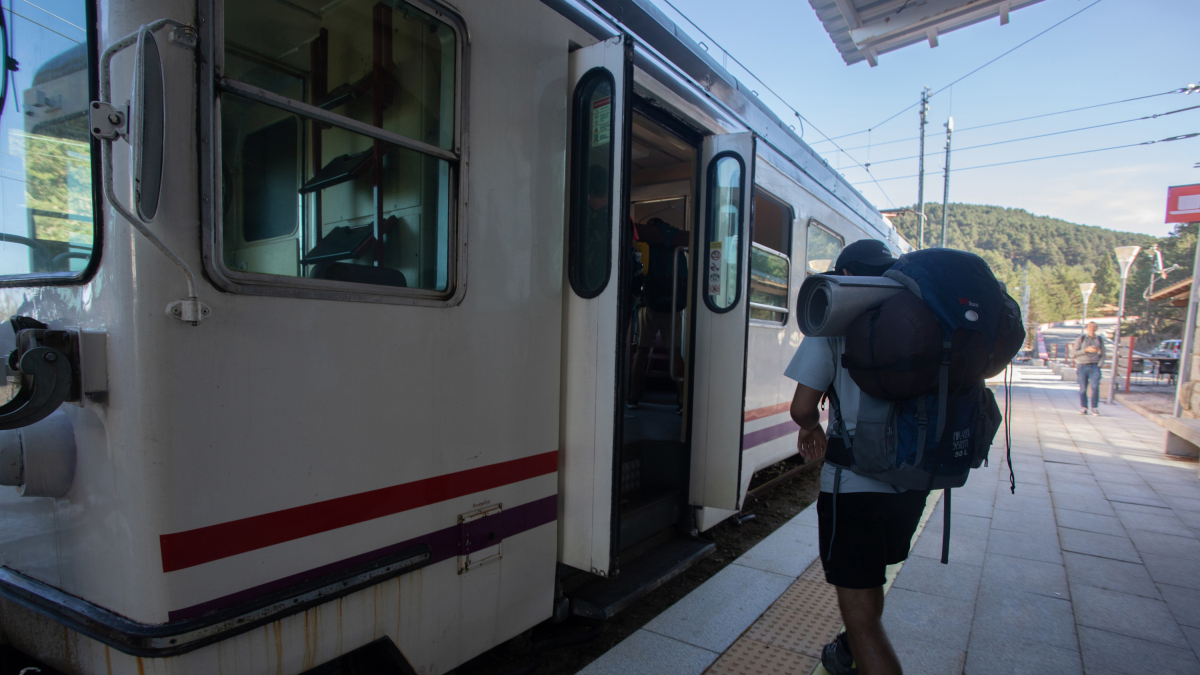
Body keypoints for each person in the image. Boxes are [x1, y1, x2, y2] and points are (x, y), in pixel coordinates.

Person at [786, 239, 930, 675]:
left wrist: (810, 427)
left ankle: (855, 647)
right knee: (870, 585)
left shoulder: (835, 322)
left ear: (845, 277)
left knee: (861, 617)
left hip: (854, 489)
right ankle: (848, 651)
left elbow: (801, 407)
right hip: (910, 486)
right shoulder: (920, 320)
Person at [628, 217, 688, 409]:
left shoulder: (645, 243)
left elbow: (638, 272)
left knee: (642, 350)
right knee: (675, 353)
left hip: (649, 305)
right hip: (674, 307)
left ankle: (633, 397)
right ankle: (683, 400)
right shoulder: (676, 246)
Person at [1073, 321, 1106, 416]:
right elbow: (1074, 353)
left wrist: (1100, 364)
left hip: (1094, 366)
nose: (1092, 328)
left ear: (1096, 328)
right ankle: (1084, 407)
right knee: (1083, 388)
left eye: (1094, 327)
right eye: (1090, 327)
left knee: (1095, 386)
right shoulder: (1081, 339)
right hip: (1082, 366)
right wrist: (1086, 350)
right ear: (1087, 328)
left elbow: (1103, 354)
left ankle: (1094, 408)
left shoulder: (1099, 339)